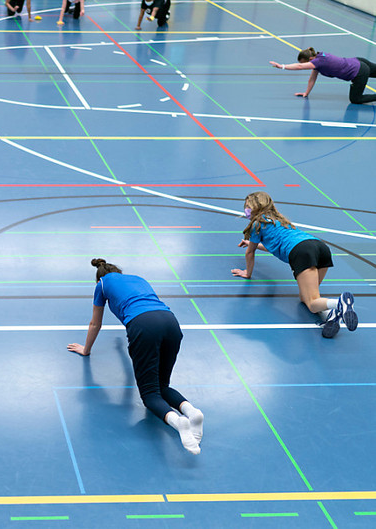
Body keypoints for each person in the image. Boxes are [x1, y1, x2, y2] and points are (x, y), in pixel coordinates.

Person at [68, 258, 203, 455]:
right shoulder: (138, 279)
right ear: (119, 272)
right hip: (170, 322)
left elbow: (95, 324)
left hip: (143, 326)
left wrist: (86, 350)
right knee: (162, 386)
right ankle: (193, 412)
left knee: (150, 395)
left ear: (99, 278)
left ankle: (179, 423)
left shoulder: (102, 285)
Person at [231, 191, 358, 338]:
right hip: (320, 248)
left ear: (254, 208)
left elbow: (249, 253)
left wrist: (248, 273)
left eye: (247, 207)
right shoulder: (279, 220)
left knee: (311, 303)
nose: (246, 211)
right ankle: (332, 314)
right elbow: (274, 246)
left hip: (302, 253)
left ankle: (340, 303)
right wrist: (251, 244)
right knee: (307, 298)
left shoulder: (256, 224)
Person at [269, 47, 376, 105]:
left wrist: (282, 66)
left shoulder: (319, 62)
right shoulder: (319, 58)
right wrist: (306, 92)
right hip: (358, 62)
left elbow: (299, 67)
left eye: (304, 63)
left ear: (310, 60)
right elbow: (312, 78)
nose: (304, 65)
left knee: (355, 99)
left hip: (359, 71)